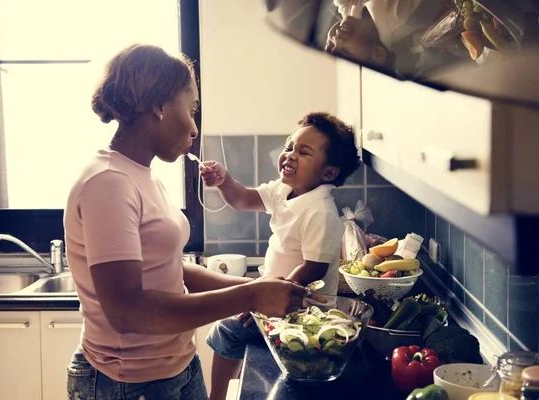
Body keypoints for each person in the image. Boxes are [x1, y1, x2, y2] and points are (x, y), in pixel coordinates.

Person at [63, 44, 310, 400]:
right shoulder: (107, 182)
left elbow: (169, 269)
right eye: (191, 109)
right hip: (128, 382)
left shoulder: (143, 176)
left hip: (176, 365)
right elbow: (127, 312)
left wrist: (251, 288)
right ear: (159, 106)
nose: (193, 127)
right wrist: (251, 294)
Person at [199, 111, 361, 400]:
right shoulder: (285, 189)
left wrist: (265, 300)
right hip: (273, 296)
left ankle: (216, 397)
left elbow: (313, 268)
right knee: (230, 324)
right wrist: (224, 180)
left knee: (226, 329)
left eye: (304, 152)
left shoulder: (320, 211)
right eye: (289, 147)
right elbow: (243, 198)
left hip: (302, 310)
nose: (290, 155)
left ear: (328, 173)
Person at [325, 0, 451, 74]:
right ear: (378, 54)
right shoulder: (403, 15)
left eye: (329, 45)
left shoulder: (351, 16)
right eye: (345, 51)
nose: (336, 39)